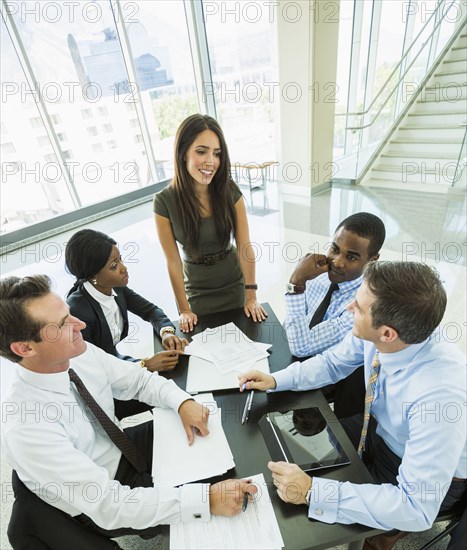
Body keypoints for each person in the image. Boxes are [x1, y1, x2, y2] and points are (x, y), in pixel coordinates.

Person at [1, 275, 256, 546]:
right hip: (103, 500)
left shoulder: (78, 351)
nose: (81, 324)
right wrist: (206, 500)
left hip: (121, 448)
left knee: (225, 439)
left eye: (69, 313)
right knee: (223, 509)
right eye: (64, 324)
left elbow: (138, 380)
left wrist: (183, 403)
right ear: (25, 348)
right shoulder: (26, 427)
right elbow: (109, 505)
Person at [240, 262, 466, 547]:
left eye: (358, 307)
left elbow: (416, 508)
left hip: (421, 470)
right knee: (284, 450)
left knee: (354, 531)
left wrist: (313, 492)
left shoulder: (438, 397)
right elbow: (332, 363)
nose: (348, 308)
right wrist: (275, 380)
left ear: (387, 333)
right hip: (378, 430)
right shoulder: (392, 335)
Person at [153, 114, 267, 333]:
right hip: (198, 290)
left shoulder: (229, 191)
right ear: (182, 153)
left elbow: (245, 246)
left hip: (234, 284)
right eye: (201, 151)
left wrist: (251, 295)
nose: (211, 162)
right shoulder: (164, 202)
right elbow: (173, 262)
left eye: (217, 154)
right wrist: (184, 309)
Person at [65, 229, 187, 419]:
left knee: (175, 380)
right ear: (93, 276)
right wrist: (145, 365)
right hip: (106, 390)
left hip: (120, 364)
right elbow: (93, 372)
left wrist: (166, 332)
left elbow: (151, 311)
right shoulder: (77, 311)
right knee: (170, 391)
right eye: (114, 266)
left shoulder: (116, 289)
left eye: (120, 259)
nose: (124, 268)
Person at [285, 212, 386, 419]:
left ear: (372, 260)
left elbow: (302, 348)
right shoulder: (317, 276)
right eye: (335, 249)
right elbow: (293, 323)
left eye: (352, 256)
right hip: (297, 358)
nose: (338, 262)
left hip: (333, 376)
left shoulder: (363, 303)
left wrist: (296, 284)